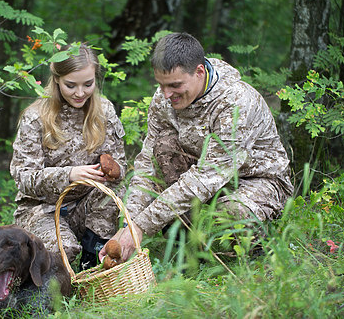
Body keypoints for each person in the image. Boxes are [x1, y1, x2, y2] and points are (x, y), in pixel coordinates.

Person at [99, 32, 293, 262]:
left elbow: (206, 177)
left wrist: (143, 226)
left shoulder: (236, 102)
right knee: (164, 146)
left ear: (199, 72)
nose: (166, 94)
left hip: (255, 180)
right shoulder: (165, 97)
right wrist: (128, 224)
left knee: (230, 214)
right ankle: (183, 236)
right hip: (201, 180)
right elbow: (148, 165)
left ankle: (258, 247)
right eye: (161, 85)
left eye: (175, 85)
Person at [10, 43, 126, 270]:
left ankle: (93, 261)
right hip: (42, 209)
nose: (80, 93)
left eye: (88, 84)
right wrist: (69, 174)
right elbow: (23, 178)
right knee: (64, 251)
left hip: (85, 206)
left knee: (110, 196)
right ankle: (55, 266)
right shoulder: (37, 117)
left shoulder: (104, 111)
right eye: (71, 85)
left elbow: (119, 168)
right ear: (56, 80)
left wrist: (113, 171)